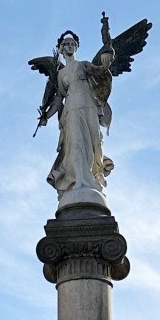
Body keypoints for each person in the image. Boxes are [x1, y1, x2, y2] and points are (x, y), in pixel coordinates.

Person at [38, 30, 114, 203]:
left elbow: (100, 71)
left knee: (95, 143)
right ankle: (79, 180)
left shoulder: (84, 65)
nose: (70, 46)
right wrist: (46, 117)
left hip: (89, 107)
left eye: (73, 44)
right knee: (76, 144)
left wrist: (107, 58)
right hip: (71, 109)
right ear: (61, 49)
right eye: (67, 44)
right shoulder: (61, 74)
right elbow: (58, 99)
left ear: (77, 47)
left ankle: (93, 178)